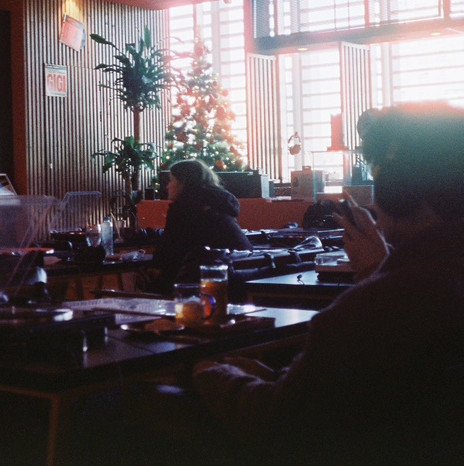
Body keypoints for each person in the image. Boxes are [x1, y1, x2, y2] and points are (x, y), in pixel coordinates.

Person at [190, 104, 464, 463]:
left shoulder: (372, 309)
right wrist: (379, 272)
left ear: (400, 190)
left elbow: (278, 423)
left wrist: (208, 371)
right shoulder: (417, 290)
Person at [142, 159, 252, 293]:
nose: (167, 186)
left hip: (203, 277)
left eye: (171, 180)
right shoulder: (219, 201)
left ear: (183, 182)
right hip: (238, 273)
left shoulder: (183, 207)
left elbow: (170, 246)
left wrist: (155, 267)